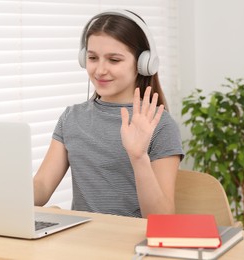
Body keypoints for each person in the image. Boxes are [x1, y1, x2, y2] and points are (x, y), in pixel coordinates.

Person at [33, 9, 184, 218]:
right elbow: (41, 186)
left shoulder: (160, 125)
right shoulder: (71, 118)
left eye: (114, 60)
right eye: (93, 58)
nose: (100, 70)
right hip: (81, 240)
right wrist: (3, 192)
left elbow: (162, 219)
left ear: (143, 63)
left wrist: (138, 157)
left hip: (131, 245)